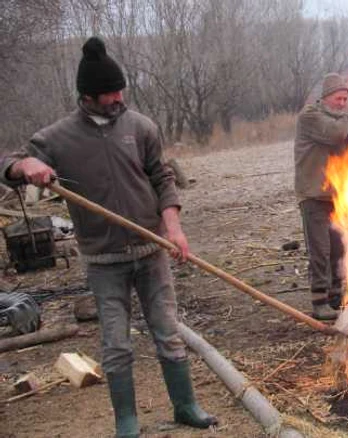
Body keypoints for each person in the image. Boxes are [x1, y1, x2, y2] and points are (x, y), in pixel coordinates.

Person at [0, 37, 216, 437]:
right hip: (103, 260)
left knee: (168, 333)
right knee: (117, 345)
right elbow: (8, 163)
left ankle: (186, 406)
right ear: (87, 96)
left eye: (120, 90)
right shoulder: (59, 137)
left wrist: (173, 228)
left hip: (152, 250)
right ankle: (127, 422)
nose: (117, 98)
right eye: (108, 93)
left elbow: (162, 178)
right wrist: (24, 165)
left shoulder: (142, 127)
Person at [294, 73, 348, 320]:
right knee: (320, 250)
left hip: (336, 195)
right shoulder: (309, 116)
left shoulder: (340, 120)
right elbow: (335, 134)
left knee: (338, 249)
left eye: (345, 99)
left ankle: (335, 297)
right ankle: (319, 302)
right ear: (326, 97)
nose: (342, 103)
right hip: (313, 194)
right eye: (339, 98)